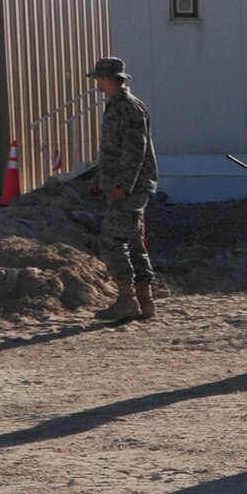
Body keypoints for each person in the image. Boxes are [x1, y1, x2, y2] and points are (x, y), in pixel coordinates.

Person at [88, 57, 157, 323]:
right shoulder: (117, 106)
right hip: (122, 185)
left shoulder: (127, 108)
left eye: (98, 78)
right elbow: (112, 151)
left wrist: (123, 185)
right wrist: (98, 179)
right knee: (131, 241)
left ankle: (127, 300)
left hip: (130, 188)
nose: (97, 82)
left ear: (106, 79)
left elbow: (134, 150)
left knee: (111, 241)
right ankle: (144, 301)